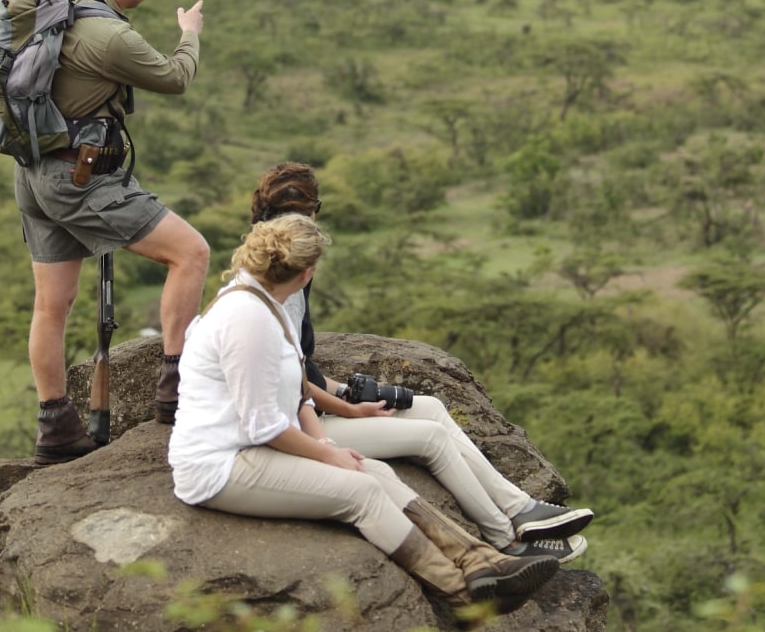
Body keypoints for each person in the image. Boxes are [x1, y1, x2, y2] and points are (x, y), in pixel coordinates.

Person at [168, 213, 557, 613]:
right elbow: (262, 424)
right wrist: (328, 455)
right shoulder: (246, 318)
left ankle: (481, 561)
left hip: (253, 446)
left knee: (376, 471)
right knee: (362, 492)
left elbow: (299, 395)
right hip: (219, 463)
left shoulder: (268, 305)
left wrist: (326, 442)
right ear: (305, 273)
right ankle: (459, 593)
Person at [250, 162, 596, 562]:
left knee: (429, 406)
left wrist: (346, 392)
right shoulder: (277, 294)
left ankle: (520, 508)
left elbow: (298, 368)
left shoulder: (281, 280)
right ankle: (507, 541)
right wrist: (347, 409)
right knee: (430, 438)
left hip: (307, 413)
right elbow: (291, 388)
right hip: (299, 431)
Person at [18, 0, 212, 464]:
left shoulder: (55, 7)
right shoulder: (111, 37)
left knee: (51, 306)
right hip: (80, 179)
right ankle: (176, 393)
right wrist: (188, 33)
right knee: (190, 252)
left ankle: (55, 428)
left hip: (34, 170)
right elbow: (175, 79)